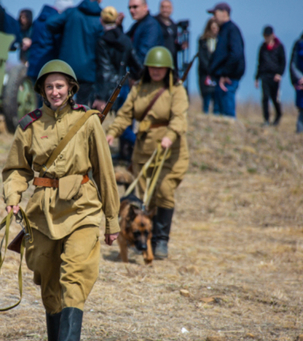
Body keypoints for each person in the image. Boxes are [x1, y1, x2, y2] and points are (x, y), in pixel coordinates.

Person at [2, 60, 119, 341]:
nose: (55, 92)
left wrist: (112, 221)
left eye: (60, 86)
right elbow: (16, 169)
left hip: (82, 208)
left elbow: (105, 174)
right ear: (41, 90)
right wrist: (13, 196)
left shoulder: (88, 121)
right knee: (48, 279)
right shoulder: (28, 126)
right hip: (42, 213)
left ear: (71, 89)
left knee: (75, 274)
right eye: (49, 86)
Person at [106, 47, 188, 259]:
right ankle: (143, 241)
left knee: (164, 191)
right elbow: (125, 114)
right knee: (145, 198)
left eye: (161, 68)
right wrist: (112, 133)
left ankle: (162, 240)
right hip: (143, 151)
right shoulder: (139, 88)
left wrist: (170, 135)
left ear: (168, 69)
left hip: (170, 151)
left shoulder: (176, 90)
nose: (156, 71)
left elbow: (179, 118)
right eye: (152, 67)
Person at [93, 6, 143, 161]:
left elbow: (104, 70)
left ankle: (143, 148)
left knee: (108, 125)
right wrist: (135, 77)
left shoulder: (101, 41)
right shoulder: (125, 39)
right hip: (125, 86)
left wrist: (101, 95)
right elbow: (137, 65)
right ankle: (136, 152)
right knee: (125, 123)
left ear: (101, 21)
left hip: (108, 88)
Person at [46, 0, 103, 106]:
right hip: (88, 70)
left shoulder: (71, 12)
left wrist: (62, 30)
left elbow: (50, 23)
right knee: (82, 107)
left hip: (66, 67)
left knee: (61, 104)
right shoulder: (100, 19)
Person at [207, 2, 245, 118]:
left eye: (215, 13)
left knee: (227, 116)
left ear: (225, 13)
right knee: (218, 114)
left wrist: (225, 73)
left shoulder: (232, 30)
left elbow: (236, 54)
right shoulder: (223, 30)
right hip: (220, 78)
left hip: (228, 79)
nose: (213, 17)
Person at [26, 1, 64, 83]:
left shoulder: (37, 21)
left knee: (34, 92)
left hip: (33, 63)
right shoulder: (55, 21)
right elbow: (58, 44)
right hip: (48, 62)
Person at [255, 26, 285, 126]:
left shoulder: (279, 47)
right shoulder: (262, 47)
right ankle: (266, 120)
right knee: (265, 98)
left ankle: (278, 115)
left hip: (275, 77)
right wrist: (256, 77)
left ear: (272, 35)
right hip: (264, 75)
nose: (266, 38)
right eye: (265, 36)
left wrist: (279, 74)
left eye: (268, 36)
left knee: (274, 98)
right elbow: (259, 63)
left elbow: (283, 62)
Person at [155, 0, 185, 67]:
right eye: (163, 7)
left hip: (171, 62)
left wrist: (180, 46)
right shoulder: (154, 22)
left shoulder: (173, 25)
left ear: (171, 9)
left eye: (167, 7)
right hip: (158, 60)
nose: (165, 10)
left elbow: (172, 44)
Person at [197, 17, 218, 114]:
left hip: (217, 74)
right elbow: (202, 58)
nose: (214, 30)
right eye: (212, 28)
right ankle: (205, 116)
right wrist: (209, 70)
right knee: (206, 97)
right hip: (205, 74)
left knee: (216, 100)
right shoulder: (202, 41)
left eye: (216, 28)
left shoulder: (221, 41)